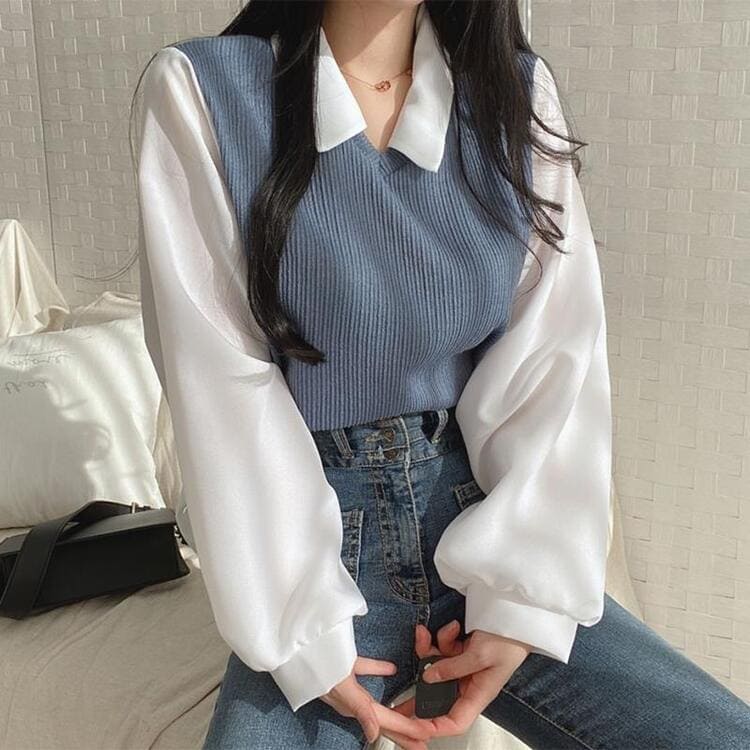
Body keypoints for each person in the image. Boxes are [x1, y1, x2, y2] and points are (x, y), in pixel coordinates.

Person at [131, 1, 750, 748]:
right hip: (317, 548)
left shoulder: (512, 94)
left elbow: (554, 361)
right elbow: (221, 388)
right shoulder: (204, 92)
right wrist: (303, 631)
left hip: (482, 522)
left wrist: (517, 608)